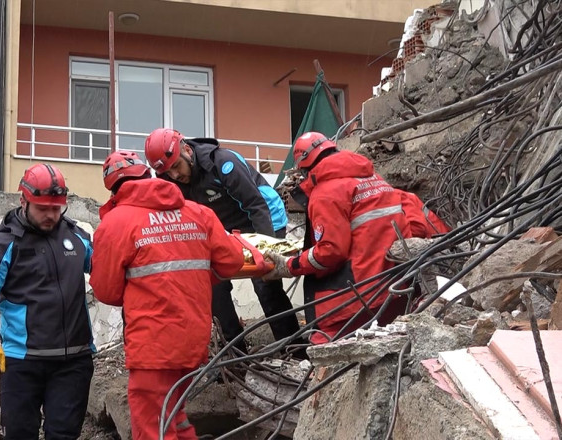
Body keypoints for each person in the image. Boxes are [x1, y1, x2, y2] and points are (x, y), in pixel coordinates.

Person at [90, 151, 244, 440]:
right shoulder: (198, 212)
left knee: (153, 428)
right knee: (175, 416)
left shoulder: (116, 223)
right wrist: (196, 280)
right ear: (148, 174)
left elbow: (106, 291)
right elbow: (233, 261)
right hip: (193, 340)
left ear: (113, 188)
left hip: (153, 347)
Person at [262, 131, 447, 344]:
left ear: (304, 166)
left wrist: (289, 266)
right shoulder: (374, 179)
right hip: (396, 286)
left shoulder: (326, 192)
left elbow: (330, 251)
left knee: (325, 349)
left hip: (356, 297)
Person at [144, 128, 301, 352]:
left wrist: (266, 251)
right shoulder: (169, 180)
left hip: (263, 216)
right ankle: (234, 352)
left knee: (265, 283)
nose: (175, 175)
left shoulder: (223, 162)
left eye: (177, 166)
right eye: (168, 172)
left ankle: (294, 348)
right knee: (213, 285)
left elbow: (256, 205)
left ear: (187, 150)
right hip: (225, 228)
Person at [0, 163, 95, 440]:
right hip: (21, 362)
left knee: (64, 436)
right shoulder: (5, 244)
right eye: (43, 208)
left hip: (73, 361)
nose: (51, 215)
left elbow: (106, 272)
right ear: (23, 201)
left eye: (57, 208)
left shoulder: (77, 237)